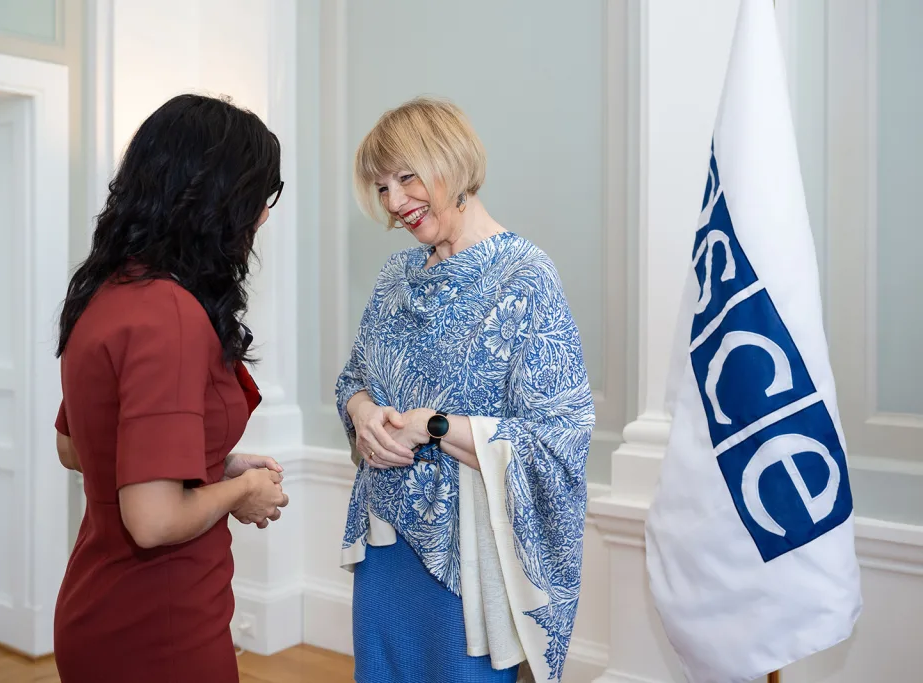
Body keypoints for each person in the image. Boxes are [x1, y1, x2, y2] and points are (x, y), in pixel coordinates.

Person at [335, 96, 595, 683]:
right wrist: (365, 411)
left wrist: (433, 425)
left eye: (406, 177)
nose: (395, 201)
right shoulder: (394, 276)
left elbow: (561, 439)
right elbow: (352, 378)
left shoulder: (526, 278)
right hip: (385, 542)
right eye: (381, 187)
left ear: (452, 162)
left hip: (470, 557)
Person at [51, 94, 290, 683]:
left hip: (97, 608)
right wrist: (245, 491)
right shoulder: (173, 316)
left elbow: (76, 447)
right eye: (259, 197)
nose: (261, 217)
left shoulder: (106, 291)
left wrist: (214, 463)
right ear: (219, 199)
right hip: (159, 628)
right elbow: (153, 521)